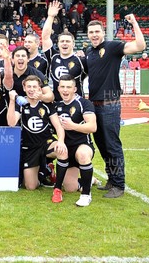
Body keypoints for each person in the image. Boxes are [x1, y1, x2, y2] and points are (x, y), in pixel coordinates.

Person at [86, 14, 145, 198]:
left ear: (103, 32)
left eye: (97, 31)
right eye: (91, 32)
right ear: (87, 34)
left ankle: (119, 184)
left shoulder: (112, 47)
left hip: (110, 105)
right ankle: (111, 178)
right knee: (102, 146)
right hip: (94, 105)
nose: (94, 35)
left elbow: (140, 46)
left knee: (112, 145)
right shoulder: (89, 52)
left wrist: (134, 23)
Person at [7, 75, 66, 190]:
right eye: (29, 86)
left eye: (34, 86)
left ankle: (58, 188)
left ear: (39, 89)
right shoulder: (21, 104)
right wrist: (12, 101)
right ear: (24, 88)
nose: (31, 89)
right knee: (30, 186)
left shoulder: (47, 105)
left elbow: (58, 127)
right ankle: (45, 171)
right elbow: (11, 123)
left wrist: (61, 141)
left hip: (46, 143)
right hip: (30, 148)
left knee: (62, 151)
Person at [51, 75, 97, 207]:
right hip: (66, 149)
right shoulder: (56, 105)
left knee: (83, 154)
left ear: (75, 89)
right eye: (63, 87)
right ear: (58, 88)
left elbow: (92, 127)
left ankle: (86, 195)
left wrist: (73, 126)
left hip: (82, 146)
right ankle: (89, 180)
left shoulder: (84, 103)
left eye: (68, 87)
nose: (65, 90)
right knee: (70, 188)